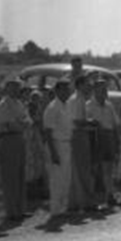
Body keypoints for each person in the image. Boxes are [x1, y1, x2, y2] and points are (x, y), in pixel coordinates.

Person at [0, 78, 32, 220]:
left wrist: (20, 122)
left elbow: (28, 121)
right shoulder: (3, 104)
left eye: (17, 87)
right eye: (13, 87)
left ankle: (20, 209)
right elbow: (10, 125)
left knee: (20, 175)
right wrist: (20, 122)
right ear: (7, 88)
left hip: (20, 139)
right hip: (8, 139)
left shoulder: (19, 103)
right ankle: (11, 212)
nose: (16, 89)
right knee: (10, 177)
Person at [42, 78, 74, 219]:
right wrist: (53, 152)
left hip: (66, 143)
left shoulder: (66, 105)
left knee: (66, 178)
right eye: (66, 89)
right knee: (57, 179)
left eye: (69, 89)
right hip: (56, 144)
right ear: (58, 90)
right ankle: (55, 210)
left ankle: (63, 208)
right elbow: (48, 132)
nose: (68, 91)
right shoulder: (52, 107)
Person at [86, 78, 120, 207]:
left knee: (108, 168)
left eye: (105, 89)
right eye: (101, 89)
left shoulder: (109, 105)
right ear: (95, 90)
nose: (104, 91)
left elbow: (115, 124)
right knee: (94, 169)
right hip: (95, 137)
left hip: (108, 136)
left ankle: (109, 195)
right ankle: (93, 199)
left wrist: (117, 140)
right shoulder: (88, 105)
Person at [67, 74, 98, 212]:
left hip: (79, 134)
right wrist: (91, 122)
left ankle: (77, 202)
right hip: (77, 135)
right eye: (87, 83)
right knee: (83, 169)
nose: (90, 86)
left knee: (79, 170)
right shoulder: (77, 100)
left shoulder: (79, 99)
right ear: (80, 85)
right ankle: (87, 202)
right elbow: (76, 121)